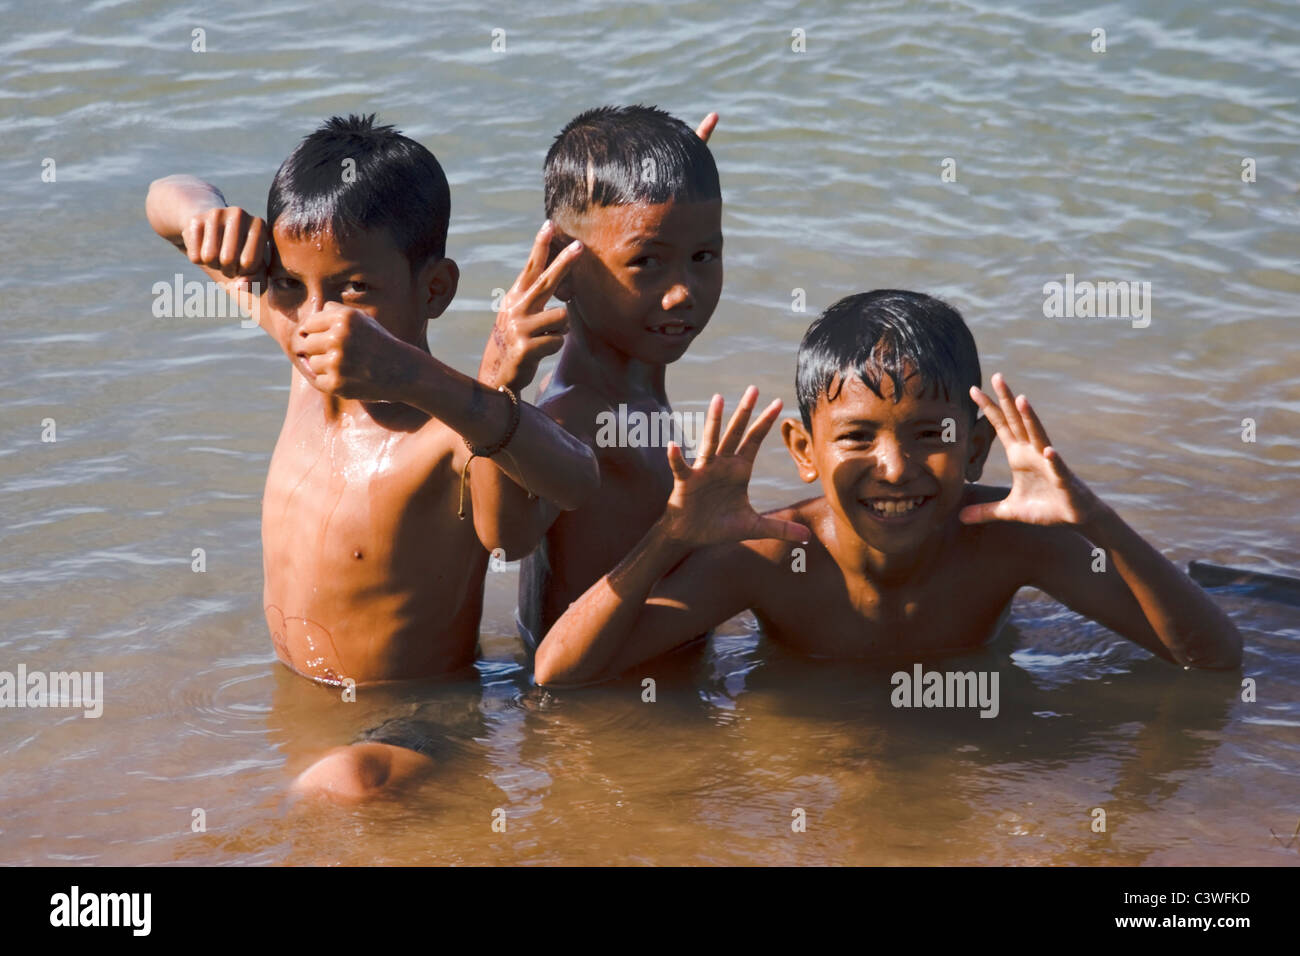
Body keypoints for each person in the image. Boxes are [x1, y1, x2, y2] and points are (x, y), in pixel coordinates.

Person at [146, 114, 598, 796]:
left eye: (354, 289)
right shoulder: (302, 347)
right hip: (299, 702)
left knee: (349, 781)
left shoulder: (452, 430)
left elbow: (569, 485)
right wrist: (207, 217)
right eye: (291, 285)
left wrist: (463, 381)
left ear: (435, 289)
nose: (320, 319)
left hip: (420, 718)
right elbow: (164, 198)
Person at [533, 289, 1243, 686]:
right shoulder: (775, 557)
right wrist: (671, 537)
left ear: (976, 447)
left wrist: (1096, 521)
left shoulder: (1009, 541)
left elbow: (1213, 658)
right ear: (804, 451)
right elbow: (557, 675)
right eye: (857, 436)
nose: (896, 467)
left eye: (931, 434)